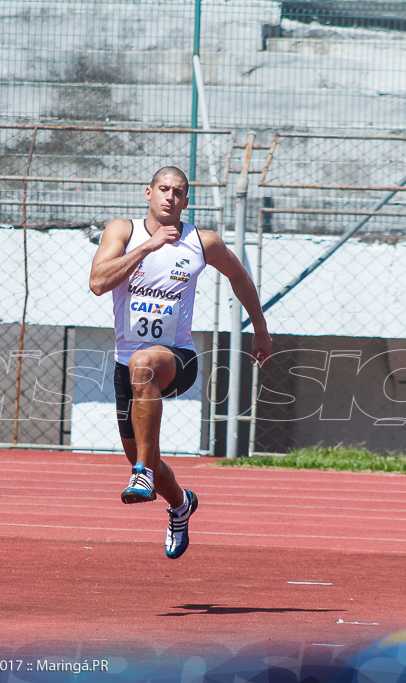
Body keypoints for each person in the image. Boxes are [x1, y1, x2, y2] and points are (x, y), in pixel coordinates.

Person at [88, 166, 272, 559]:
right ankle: (181, 503)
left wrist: (260, 328)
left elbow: (240, 277)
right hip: (128, 367)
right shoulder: (123, 231)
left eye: (179, 192)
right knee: (146, 454)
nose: (170, 197)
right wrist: (148, 247)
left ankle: (142, 475)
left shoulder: (202, 242)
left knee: (144, 363)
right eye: (163, 189)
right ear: (148, 192)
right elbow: (99, 283)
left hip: (177, 358)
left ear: (186, 201)